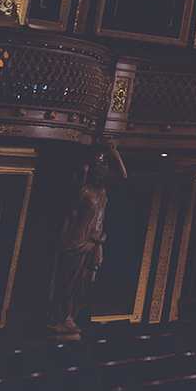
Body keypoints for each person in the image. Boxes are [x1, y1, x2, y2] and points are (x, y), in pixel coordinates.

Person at [48, 141, 124, 339]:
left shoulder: (102, 192)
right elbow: (70, 216)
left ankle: (71, 316)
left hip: (94, 243)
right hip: (76, 242)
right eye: (99, 170)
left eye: (104, 170)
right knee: (68, 282)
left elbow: (122, 177)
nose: (102, 174)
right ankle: (62, 317)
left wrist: (114, 153)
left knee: (84, 285)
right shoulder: (83, 191)